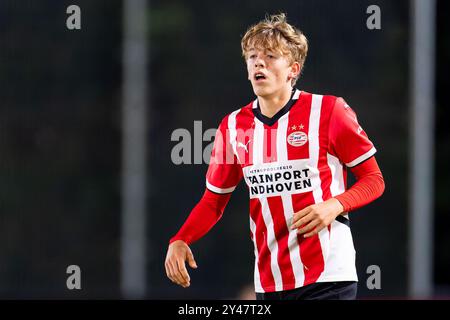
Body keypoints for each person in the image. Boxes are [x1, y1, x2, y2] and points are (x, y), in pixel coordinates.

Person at [165, 13, 385, 300]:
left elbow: (374, 179)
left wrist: (334, 205)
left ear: (293, 69)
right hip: (270, 283)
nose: (259, 62)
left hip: (329, 276)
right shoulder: (232, 126)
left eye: (270, 56)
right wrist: (181, 238)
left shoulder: (328, 111)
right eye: (253, 56)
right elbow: (214, 201)